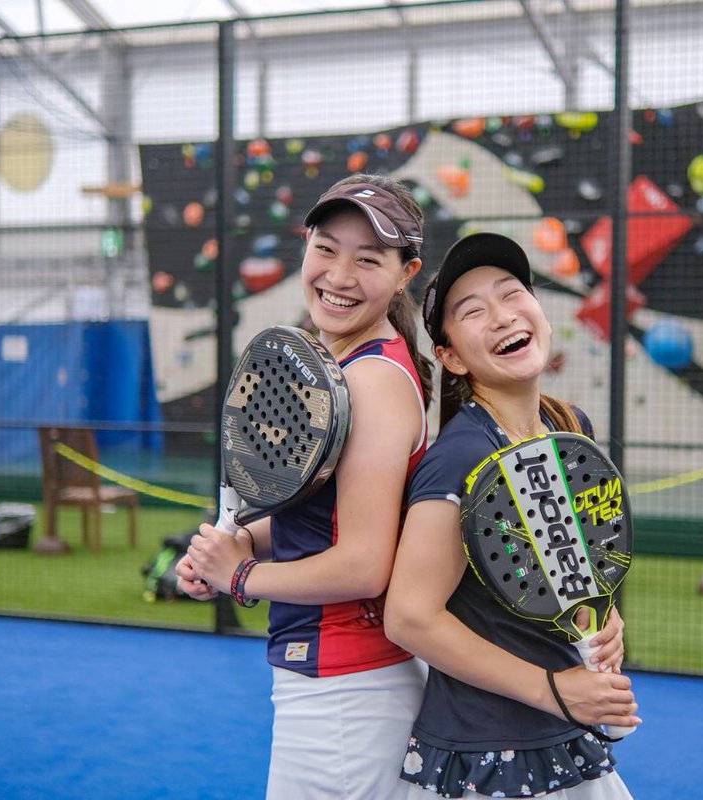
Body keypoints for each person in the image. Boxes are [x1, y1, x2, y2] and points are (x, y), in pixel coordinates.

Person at [175, 174, 432, 799]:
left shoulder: (371, 380)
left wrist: (241, 577)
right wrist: (234, 546)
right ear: (305, 245)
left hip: (348, 692)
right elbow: (325, 519)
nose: (339, 276)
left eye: (367, 259)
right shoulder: (344, 363)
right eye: (326, 248)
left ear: (405, 273)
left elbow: (364, 563)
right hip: (345, 685)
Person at [385, 232, 639, 799]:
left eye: (512, 293)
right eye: (473, 311)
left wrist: (605, 622)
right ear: (451, 357)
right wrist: (554, 688)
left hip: (561, 736)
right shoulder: (459, 458)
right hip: (488, 755)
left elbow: (568, 574)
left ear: (539, 312)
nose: (502, 316)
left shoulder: (568, 428)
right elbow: (409, 618)